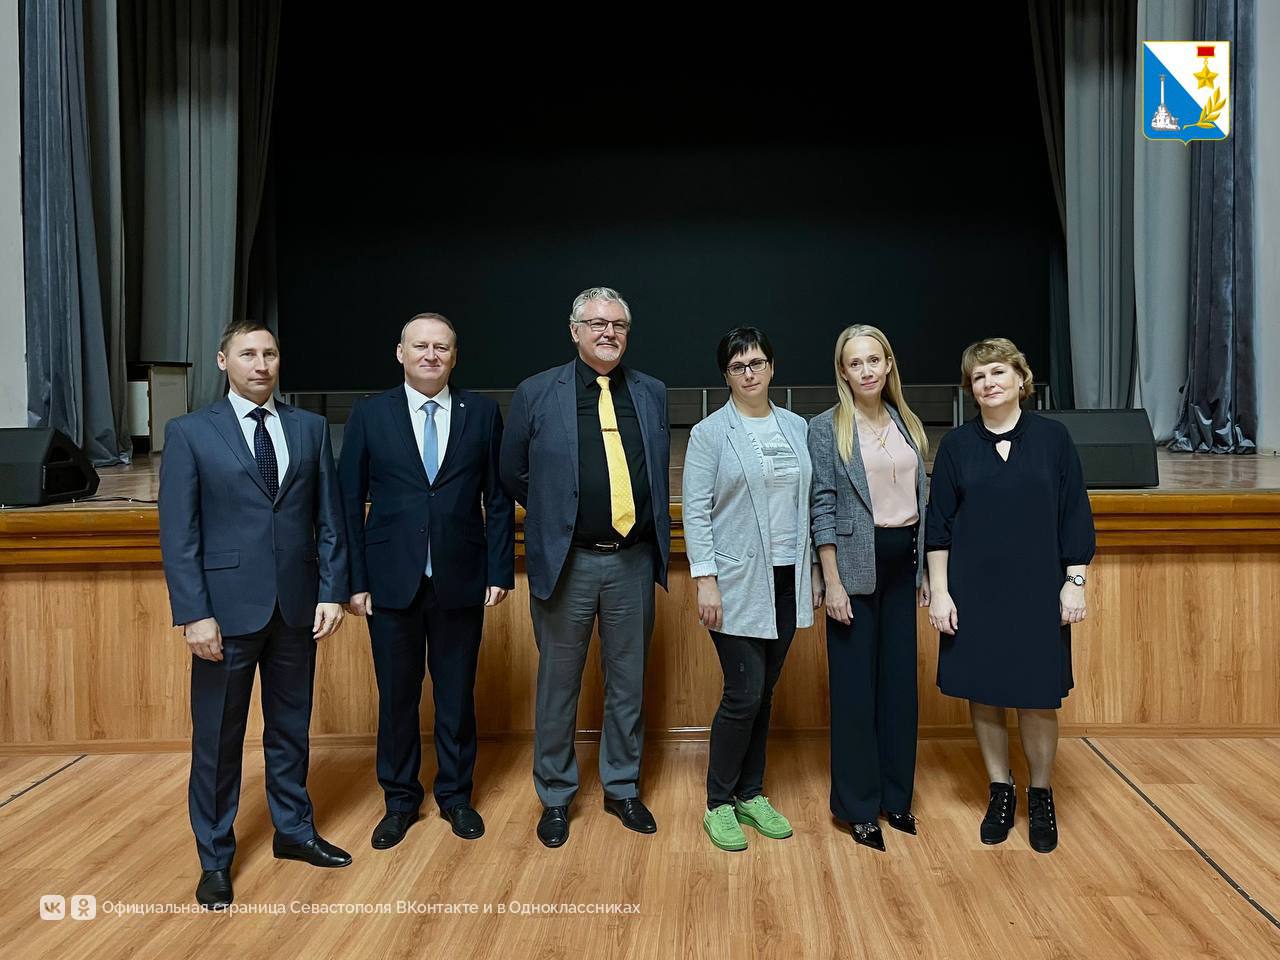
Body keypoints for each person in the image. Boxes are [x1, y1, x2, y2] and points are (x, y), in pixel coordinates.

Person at [158, 320, 350, 910]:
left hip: (296, 607)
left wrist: (331, 589)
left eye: (269, 353)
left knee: (291, 730)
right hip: (224, 613)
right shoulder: (191, 433)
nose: (260, 363)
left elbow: (329, 518)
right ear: (223, 361)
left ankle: (293, 832)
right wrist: (194, 613)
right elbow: (179, 532)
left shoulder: (311, 428)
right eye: (247, 354)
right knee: (217, 740)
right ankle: (214, 857)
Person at [500, 286, 670, 848]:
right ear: (574, 331)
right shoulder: (535, 393)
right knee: (558, 687)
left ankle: (622, 788)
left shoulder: (651, 393)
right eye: (596, 324)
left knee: (627, 684)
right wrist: (558, 516)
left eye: (618, 325)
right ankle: (554, 795)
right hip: (566, 563)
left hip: (631, 561)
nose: (609, 333)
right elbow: (512, 472)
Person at [338, 312, 514, 850]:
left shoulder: (482, 413)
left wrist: (499, 570)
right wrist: (354, 579)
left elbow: (499, 499)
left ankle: (456, 797)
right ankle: (399, 801)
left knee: (457, 696)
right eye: (421, 346)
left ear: (454, 356)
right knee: (397, 697)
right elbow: (348, 501)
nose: (431, 355)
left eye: (441, 347)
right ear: (401, 353)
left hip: (461, 578)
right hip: (390, 581)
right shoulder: (370, 415)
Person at [925, 337, 1095, 853]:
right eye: (978, 378)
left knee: (1038, 696)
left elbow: (1074, 516)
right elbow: (938, 530)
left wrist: (1075, 580)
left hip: (1039, 590)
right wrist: (939, 593)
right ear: (970, 390)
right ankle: (1000, 790)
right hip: (975, 592)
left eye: (997, 372)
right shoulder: (956, 447)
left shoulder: (1054, 439)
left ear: (1022, 378)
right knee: (986, 692)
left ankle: (1040, 794)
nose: (988, 383)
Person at [682, 327, 819, 852]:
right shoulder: (710, 434)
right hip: (736, 581)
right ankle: (719, 802)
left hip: (788, 577)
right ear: (726, 375)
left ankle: (751, 792)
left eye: (757, 363)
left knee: (765, 694)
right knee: (743, 693)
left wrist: (813, 575)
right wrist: (706, 581)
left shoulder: (797, 427)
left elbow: (808, 504)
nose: (749, 373)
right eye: (739, 366)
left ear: (772, 367)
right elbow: (695, 512)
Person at [807, 324, 930, 851]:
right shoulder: (827, 427)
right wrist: (830, 582)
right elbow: (822, 509)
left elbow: (923, 503)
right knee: (856, 694)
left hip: (904, 567)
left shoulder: (907, 421)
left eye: (874, 360)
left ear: (888, 365)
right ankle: (858, 807)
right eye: (855, 363)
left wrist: (926, 572)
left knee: (900, 688)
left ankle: (896, 799)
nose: (866, 371)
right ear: (842, 371)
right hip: (854, 573)